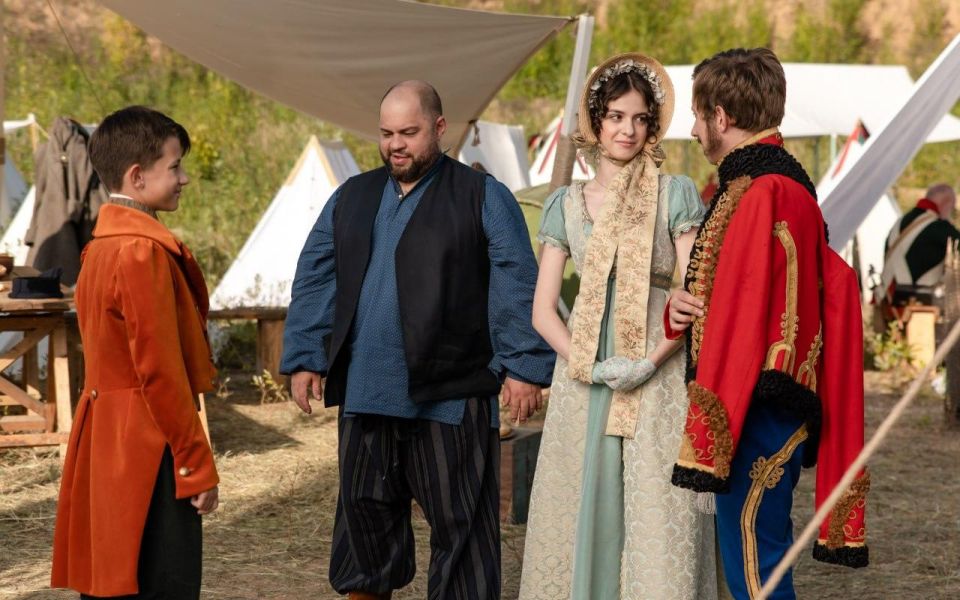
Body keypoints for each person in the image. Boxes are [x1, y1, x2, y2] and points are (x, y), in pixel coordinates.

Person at [280, 80, 554, 600]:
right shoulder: (351, 196)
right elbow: (316, 275)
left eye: (409, 132)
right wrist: (305, 357)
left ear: (440, 127)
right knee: (365, 534)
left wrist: (523, 365)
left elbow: (516, 279)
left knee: (461, 535)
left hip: (451, 396)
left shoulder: (481, 195)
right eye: (386, 134)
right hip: (366, 393)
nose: (395, 145)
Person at [666, 48, 869, 599]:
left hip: (759, 410)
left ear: (721, 117)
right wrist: (681, 307)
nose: (694, 130)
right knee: (755, 564)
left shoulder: (763, 191)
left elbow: (747, 311)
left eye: (698, 116)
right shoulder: (776, 186)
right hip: (767, 406)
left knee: (756, 573)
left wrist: (716, 424)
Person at [519, 53, 717, 600]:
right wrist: (591, 365)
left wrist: (647, 363)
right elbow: (542, 310)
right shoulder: (564, 204)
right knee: (586, 496)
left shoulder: (674, 193)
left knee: (654, 502)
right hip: (585, 373)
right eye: (615, 116)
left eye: (639, 118)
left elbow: (692, 294)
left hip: (656, 367)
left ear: (652, 127)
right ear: (595, 121)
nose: (627, 130)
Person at [51, 106, 220, 599]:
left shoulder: (99, 249)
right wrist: (194, 464)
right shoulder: (139, 252)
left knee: (116, 582)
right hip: (148, 444)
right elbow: (160, 373)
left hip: (107, 436)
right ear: (137, 176)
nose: (184, 178)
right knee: (158, 583)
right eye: (175, 167)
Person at [877, 183, 960, 318]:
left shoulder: (900, 222)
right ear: (946, 203)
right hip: (917, 309)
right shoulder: (939, 227)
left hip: (885, 303)